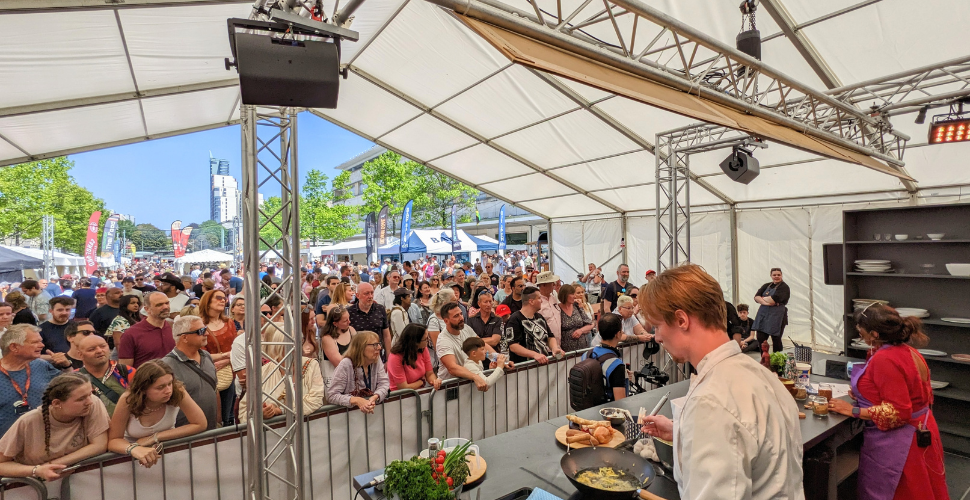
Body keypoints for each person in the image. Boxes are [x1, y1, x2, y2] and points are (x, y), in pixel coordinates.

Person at [639, 264, 804, 500]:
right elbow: (745, 443)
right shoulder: (762, 375)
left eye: (658, 326)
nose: (657, 336)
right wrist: (682, 431)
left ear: (681, 320)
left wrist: (696, 426)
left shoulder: (711, 401)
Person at [827, 304, 948, 500]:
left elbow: (899, 412)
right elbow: (914, 393)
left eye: (861, 330)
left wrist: (853, 410)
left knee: (897, 492)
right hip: (922, 429)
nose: (859, 334)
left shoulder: (885, 358)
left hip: (900, 442)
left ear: (874, 333)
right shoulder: (907, 351)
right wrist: (866, 395)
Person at [0, 373, 109, 480]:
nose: (89, 402)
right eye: (81, 399)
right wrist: (37, 470)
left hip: (78, 482)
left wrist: (54, 464)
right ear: (56, 403)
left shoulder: (93, 404)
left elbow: (99, 445)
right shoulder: (29, 421)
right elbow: (2, 464)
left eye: (90, 394)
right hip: (33, 487)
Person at [107, 360, 207, 468]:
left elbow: (200, 423)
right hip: (131, 460)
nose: (168, 390)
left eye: (170, 383)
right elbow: (113, 440)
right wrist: (134, 449)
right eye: (160, 387)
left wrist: (155, 437)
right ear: (144, 389)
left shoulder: (177, 390)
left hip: (168, 455)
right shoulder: (128, 400)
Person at [237, 327, 325, 423]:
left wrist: (280, 411)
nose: (296, 347)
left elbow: (316, 400)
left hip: (306, 431)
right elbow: (244, 410)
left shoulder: (311, 365)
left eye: (299, 342)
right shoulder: (263, 372)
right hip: (271, 434)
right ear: (279, 345)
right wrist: (260, 414)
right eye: (290, 344)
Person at [0, 324, 71, 436]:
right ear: (14, 347)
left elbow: (70, 386)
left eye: (41, 341)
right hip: (5, 446)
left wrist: (67, 366)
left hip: (43, 439)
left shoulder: (41, 365)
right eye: (35, 342)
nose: (42, 345)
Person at [160, 315, 218, 430]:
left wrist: (218, 419)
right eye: (201, 331)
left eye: (205, 329)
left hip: (210, 431)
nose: (206, 334)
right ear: (184, 338)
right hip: (184, 436)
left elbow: (215, 389)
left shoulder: (206, 356)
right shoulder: (166, 366)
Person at [437, 302, 504, 391]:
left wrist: (501, 360)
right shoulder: (443, 340)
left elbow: (482, 345)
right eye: (456, 316)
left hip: (467, 384)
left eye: (461, 314)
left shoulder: (465, 328)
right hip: (450, 388)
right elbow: (452, 368)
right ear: (446, 321)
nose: (461, 318)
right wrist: (475, 377)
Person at [198, 290, 237, 427]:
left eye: (224, 298)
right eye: (219, 298)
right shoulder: (199, 325)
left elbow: (237, 348)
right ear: (207, 302)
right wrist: (226, 356)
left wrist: (226, 360)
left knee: (229, 413)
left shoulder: (229, 323)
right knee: (212, 415)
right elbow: (200, 353)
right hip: (208, 373)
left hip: (230, 371)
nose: (223, 300)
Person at [326, 331, 390, 413]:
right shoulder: (346, 364)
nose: (379, 348)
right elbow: (332, 395)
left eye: (379, 344)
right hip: (348, 418)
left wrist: (376, 396)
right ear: (361, 347)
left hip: (371, 415)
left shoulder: (376, 360)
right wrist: (356, 400)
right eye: (374, 345)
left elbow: (384, 383)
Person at [76, 335, 135, 416]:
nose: (99, 351)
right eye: (91, 349)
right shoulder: (74, 378)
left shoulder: (126, 371)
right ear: (80, 355)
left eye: (103, 346)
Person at [504, 286, 565, 365]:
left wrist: (554, 348)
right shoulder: (514, 320)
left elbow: (550, 336)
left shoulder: (539, 317)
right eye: (539, 298)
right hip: (524, 367)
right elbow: (513, 346)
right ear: (531, 301)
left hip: (542, 364)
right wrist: (534, 354)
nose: (542, 301)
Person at [119, 292, 175, 368]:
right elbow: (125, 369)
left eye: (167, 303)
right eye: (159, 305)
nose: (165, 307)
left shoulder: (174, 328)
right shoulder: (131, 334)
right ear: (147, 309)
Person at [583, 313, 628, 402]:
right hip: (608, 412)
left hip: (588, 408)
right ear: (618, 334)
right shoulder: (616, 365)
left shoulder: (586, 354)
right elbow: (621, 402)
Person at [387, 324, 442, 391]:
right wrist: (421, 382)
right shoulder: (395, 357)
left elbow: (429, 374)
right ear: (415, 342)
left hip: (419, 393)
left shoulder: (423, 349)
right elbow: (403, 387)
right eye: (425, 339)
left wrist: (434, 382)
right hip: (401, 397)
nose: (428, 340)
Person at [346, 283, 391, 359]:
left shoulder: (380, 309)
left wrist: (388, 357)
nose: (370, 296)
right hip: (358, 356)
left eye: (372, 293)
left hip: (378, 355)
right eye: (366, 293)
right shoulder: (349, 312)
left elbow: (386, 335)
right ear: (358, 295)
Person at [752, 267, 791, 353]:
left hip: (778, 316)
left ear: (781, 275)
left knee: (776, 339)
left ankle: (777, 360)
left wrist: (762, 299)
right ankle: (764, 358)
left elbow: (774, 299)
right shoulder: (766, 285)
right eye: (774, 275)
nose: (776, 276)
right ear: (771, 275)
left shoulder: (784, 287)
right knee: (761, 338)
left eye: (778, 275)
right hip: (764, 316)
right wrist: (766, 302)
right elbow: (756, 297)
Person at [319, 305, 357, 370]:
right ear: (335, 324)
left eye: (349, 318)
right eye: (345, 321)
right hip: (335, 376)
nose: (349, 322)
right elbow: (339, 362)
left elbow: (360, 349)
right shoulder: (327, 338)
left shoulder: (351, 330)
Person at [558, 284, 594, 352]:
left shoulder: (576, 306)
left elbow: (590, 324)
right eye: (572, 294)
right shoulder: (557, 308)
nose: (574, 296)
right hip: (566, 349)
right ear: (564, 295)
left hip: (583, 346)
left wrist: (581, 330)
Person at [467, 290, 502, 358]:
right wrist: (489, 339)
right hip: (476, 358)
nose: (488, 304)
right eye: (485, 302)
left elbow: (494, 341)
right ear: (479, 303)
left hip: (494, 357)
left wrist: (477, 341)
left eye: (490, 301)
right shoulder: (471, 320)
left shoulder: (498, 319)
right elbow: (470, 342)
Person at [535, 271, 562, 344]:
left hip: (558, 343)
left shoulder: (553, 298)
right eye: (551, 283)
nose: (553, 285)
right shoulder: (537, 301)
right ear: (544, 285)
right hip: (545, 344)